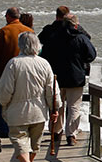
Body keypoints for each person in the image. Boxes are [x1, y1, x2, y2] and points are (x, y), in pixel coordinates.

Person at [0, 32, 60, 162]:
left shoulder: (13, 64)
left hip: (17, 111)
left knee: (19, 142)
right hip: (39, 112)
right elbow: (52, 90)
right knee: (34, 145)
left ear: (21, 45)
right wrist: (55, 108)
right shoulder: (44, 63)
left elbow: (5, 90)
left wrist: (3, 102)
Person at [40, 12, 96, 146]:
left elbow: (45, 55)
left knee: (57, 105)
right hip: (75, 77)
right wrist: (81, 61)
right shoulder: (81, 38)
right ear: (76, 25)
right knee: (74, 107)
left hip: (57, 77)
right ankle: (71, 134)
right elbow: (91, 55)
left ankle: (56, 131)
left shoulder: (53, 37)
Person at [0, 7, 33, 137]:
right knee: (24, 100)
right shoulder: (29, 31)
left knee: (3, 100)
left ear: (8, 17)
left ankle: (3, 129)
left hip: (6, 71)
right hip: (26, 71)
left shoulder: (3, 31)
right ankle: (24, 127)